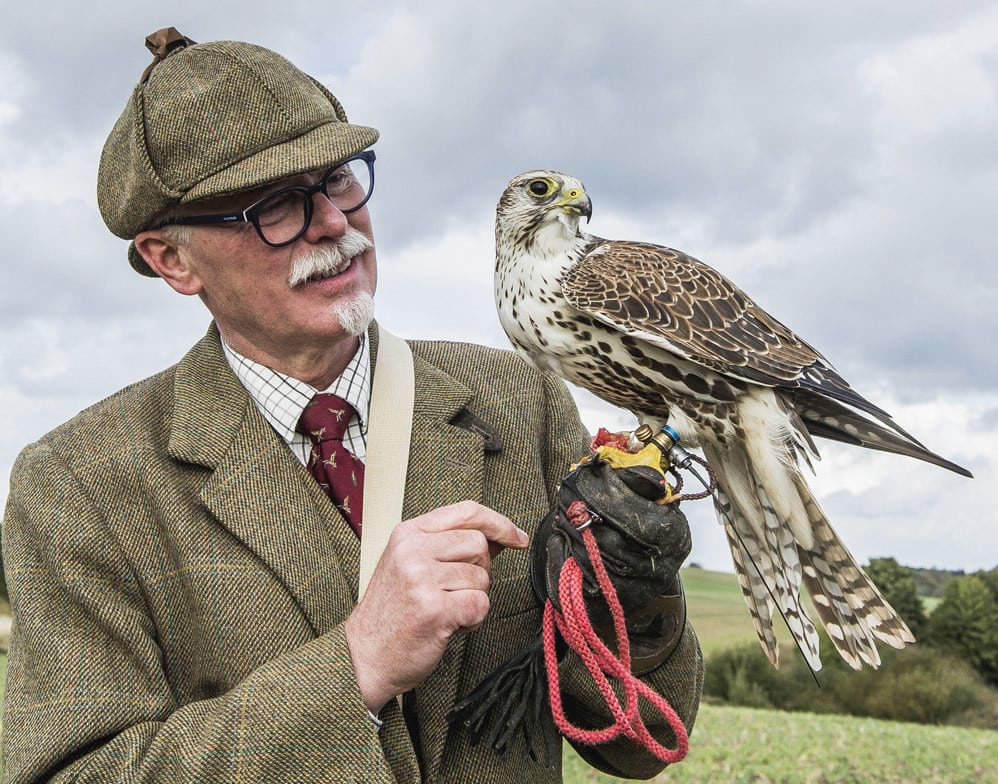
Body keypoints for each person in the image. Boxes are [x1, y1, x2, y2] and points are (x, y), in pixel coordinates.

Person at [0, 29, 702, 783]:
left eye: (337, 180)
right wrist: (353, 666)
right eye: (275, 207)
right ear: (171, 258)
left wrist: (631, 596)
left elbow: (635, 742)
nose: (334, 224)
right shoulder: (79, 485)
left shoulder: (519, 399)